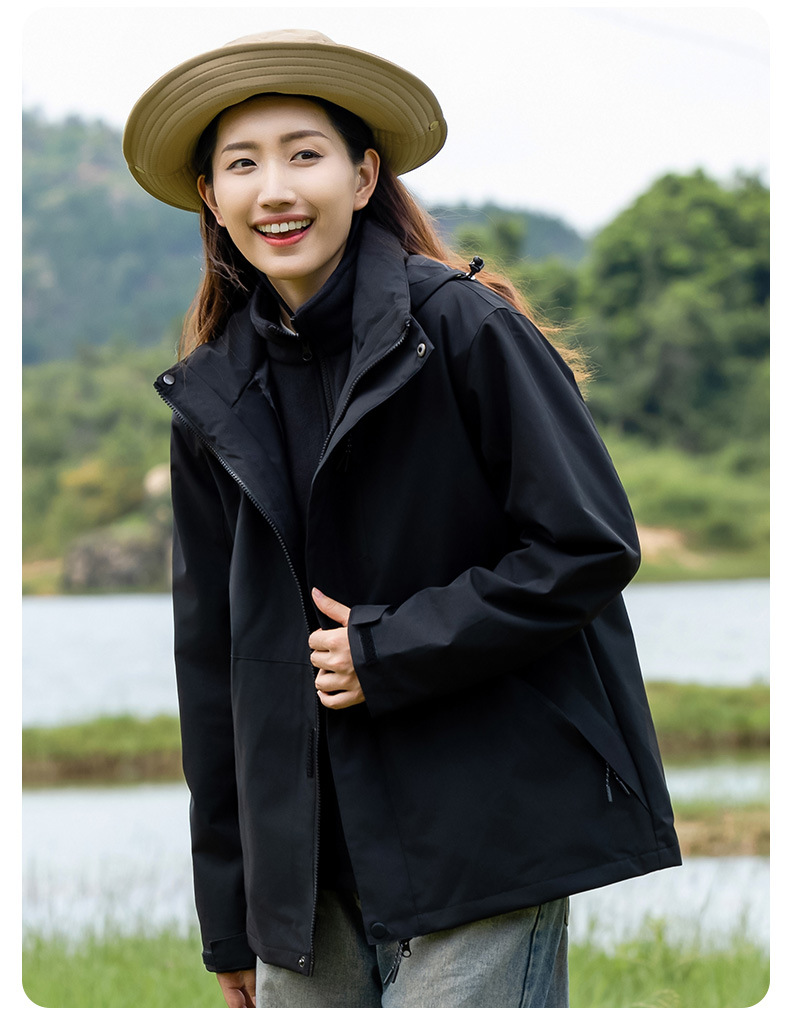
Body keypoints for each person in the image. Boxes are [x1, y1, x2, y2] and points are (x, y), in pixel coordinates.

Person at [123, 28, 681, 1009]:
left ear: (363, 174)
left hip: (484, 828)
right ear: (211, 195)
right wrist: (233, 913)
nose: (275, 189)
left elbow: (589, 545)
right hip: (303, 873)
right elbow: (213, 670)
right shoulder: (211, 393)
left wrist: (387, 649)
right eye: (242, 164)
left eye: (304, 154)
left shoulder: (466, 328)